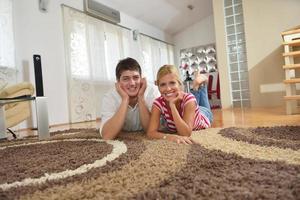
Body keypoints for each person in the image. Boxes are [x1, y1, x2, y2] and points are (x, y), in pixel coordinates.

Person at [147, 65, 213, 144]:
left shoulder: (189, 99)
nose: (168, 88)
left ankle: (202, 83)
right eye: (163, 84)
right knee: (193, 99)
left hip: (204, 115)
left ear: (179, 83)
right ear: (158, 86)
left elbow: (185, 133)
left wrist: (172, 106)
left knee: (198, 94)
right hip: (191, 109)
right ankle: (196, 86)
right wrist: (169, 137)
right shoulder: (158, 103)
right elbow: (151, 133)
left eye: (172, 83)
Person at [100, 57, 160, 139]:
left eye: (136, 77)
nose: (132, 83)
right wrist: (125, 99)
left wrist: (141, 97)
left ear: (141, 79)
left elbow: (151, 130)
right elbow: (107, 135)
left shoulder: (152, 92)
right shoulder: (110, 97)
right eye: (126, 79)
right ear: (118, 82)